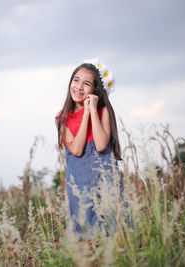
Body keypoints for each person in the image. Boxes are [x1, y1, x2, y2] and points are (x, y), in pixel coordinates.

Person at [56, 58, 123, 241]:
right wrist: (84, 113)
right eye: (76, 80)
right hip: (80, 184)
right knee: (84, 236)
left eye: (87, 83)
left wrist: (93, 109)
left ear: (95, 90)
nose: (79, 87)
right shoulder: (63, 119)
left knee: (111, 234)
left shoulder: (103, 112)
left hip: (106, 181)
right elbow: (77, 150)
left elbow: (101, 145)